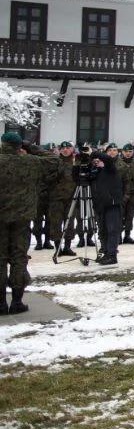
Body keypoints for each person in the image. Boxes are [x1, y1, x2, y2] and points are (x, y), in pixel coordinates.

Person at [0, 134, 56, 314]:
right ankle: (17, 301)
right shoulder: (30, 162)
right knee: (18, 258)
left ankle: (1, 303)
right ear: (19, 146)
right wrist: (30, 146)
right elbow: (53, 160)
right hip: (22, 218)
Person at [90, 144, 124, 266]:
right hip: (101, 204)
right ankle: (106, 252)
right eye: (95, 161)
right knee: (103, 230)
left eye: (99, 160)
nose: (98, 162)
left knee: (112, 230)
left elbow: (108, 160)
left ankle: (112, 255)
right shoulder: (97, 171)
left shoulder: (110, 168)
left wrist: (94, 153)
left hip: (112, 203)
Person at [117, 144, 134, 245]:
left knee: (130, 215)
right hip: (121, 193)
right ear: (122, 152)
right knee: (119, 215)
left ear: (133, 152)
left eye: (130, 151)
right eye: (126, 151)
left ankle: (127, 235)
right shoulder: (118, 163)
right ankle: (118, 235)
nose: (128, 153)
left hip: (133, 193)